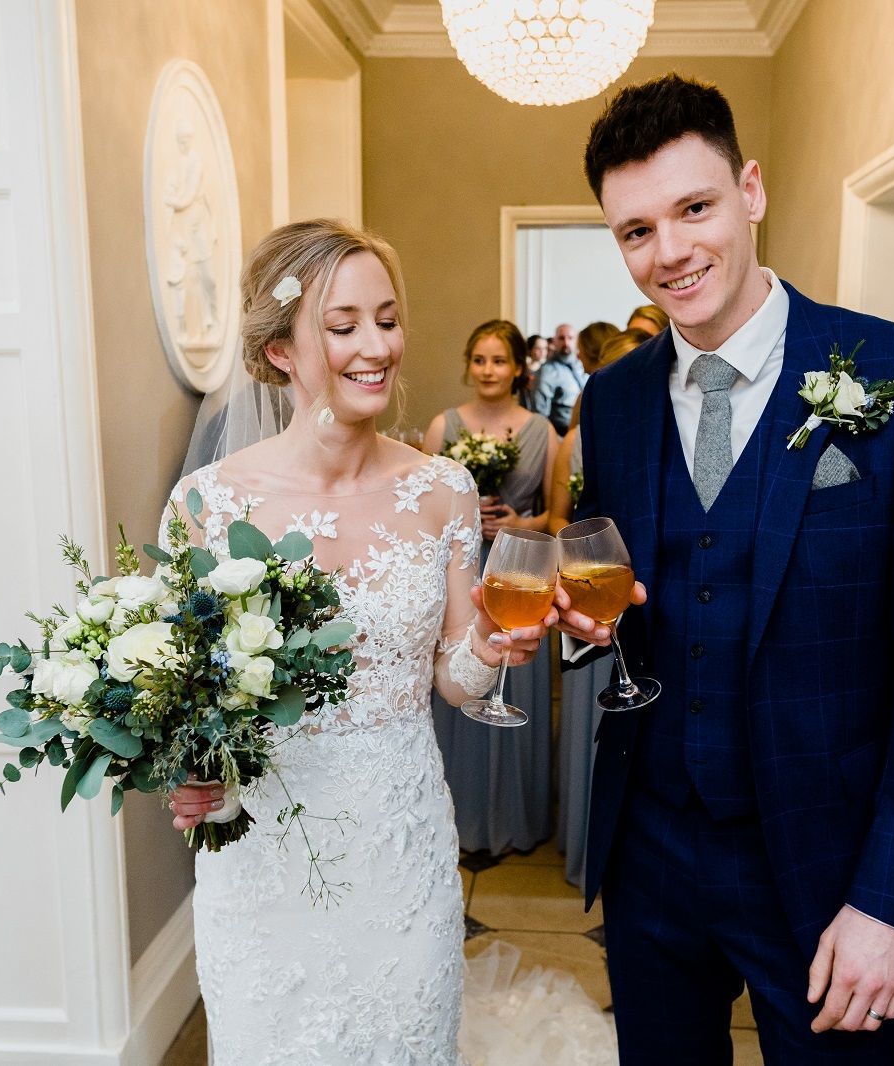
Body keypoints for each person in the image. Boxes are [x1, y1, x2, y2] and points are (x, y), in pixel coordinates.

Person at [555, 75, 894, 1064]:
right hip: (651, 851)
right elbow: (611, 584)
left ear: (749, 190)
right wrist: (590, 629)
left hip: (826, 865)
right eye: (633, 231)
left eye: (693, 207)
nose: (668, 253)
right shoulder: (613, 402)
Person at [162, 221, 611, 1064]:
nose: (377, 346)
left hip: (400, 849)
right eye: (343, 326)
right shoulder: (206, 505)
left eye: (388, 318)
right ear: (278, 351)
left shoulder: (440, 490)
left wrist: (490, 644)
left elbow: (454, 680)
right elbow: (185, 699)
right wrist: (188, 774)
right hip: (262, 858)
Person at [421, 321, 559, 854]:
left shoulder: (541, 430)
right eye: (479, 359)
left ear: (519, 368)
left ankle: (513, 821)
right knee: (459, 684)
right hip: (458, 571)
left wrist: (518, 524)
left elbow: (555, 513)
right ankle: (458, 821)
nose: (488, 370)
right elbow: (423, 513)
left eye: (499, 361)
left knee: (514, 686)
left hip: (520, 570)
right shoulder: (443, 426)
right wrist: (465, 520)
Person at [545, 327, 643, 889]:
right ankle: (588, 847)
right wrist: (591, 555)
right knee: (596, 728)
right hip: (595, 590)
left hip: (652, 606)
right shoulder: (583, 437)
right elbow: (561, 516)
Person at [531, 322, 588, 433]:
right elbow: (540, 413)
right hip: (560, 433)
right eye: (561, 338)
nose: (566, 343)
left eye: (570, 338)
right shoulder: (547, 372)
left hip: (586, 432)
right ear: (554, 341)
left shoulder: (583, 365)